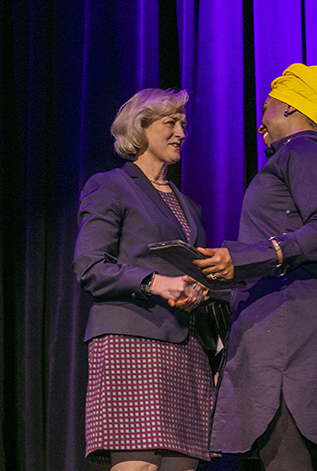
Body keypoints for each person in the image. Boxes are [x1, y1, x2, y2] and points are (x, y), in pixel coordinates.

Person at [194, 64, 317, 470]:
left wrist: (246, 258)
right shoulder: (293, 156)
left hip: (294, 326)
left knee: (287, 451)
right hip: (281, 318)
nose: (260, 124)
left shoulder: (305, 151)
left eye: (267, 108)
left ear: (291, 108)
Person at [73, 88, 219, 471]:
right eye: (170, 123)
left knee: (181, 466)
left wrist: (203, 290)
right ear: (140, 128)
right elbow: (89, 266)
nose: (181, 133)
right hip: (132, 341)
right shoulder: (111, 186)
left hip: (187, 349)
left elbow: (199, 275)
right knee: (140, 466)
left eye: (183, 125)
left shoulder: (189, 205)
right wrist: (156, 282)